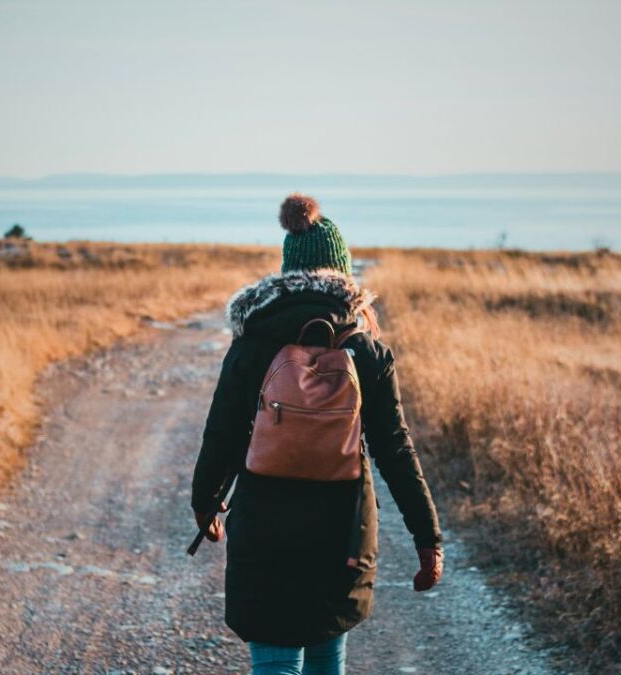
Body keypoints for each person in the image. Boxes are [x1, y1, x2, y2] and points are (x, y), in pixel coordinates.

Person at [190, 194, 444, 675]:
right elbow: (394, 449)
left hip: (265, 518)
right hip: (342, 527)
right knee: (326, 648)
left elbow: (221, 432)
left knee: (275, 658)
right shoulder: (366, 349)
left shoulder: (252, 342)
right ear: (344, 272)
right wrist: (427, 536)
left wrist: (206, 502)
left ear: (288, 271)